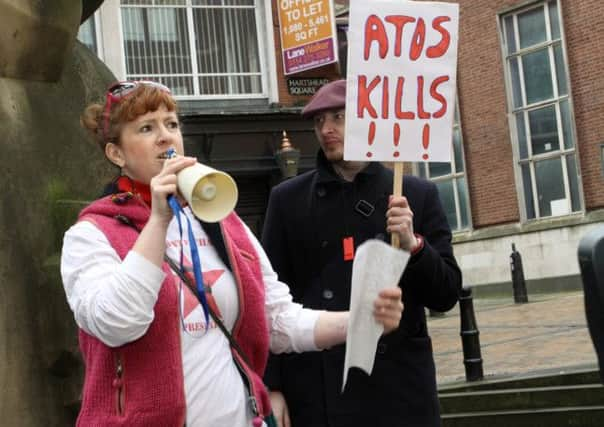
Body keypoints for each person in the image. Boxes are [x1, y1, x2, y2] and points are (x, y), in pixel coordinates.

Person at [60, 80, 405, 427]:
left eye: (172, 124)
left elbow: (276, 318)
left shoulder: (222, 222)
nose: (166, 137)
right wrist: (157, 221)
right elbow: (116, 323)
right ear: (116, 154)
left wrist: (359, 321)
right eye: (146, 128)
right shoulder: (91, 234)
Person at [261, 79, 462, 427]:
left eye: (339, 117)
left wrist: (414, 245)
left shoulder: (416, 193)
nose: (327, 130)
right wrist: (273, 386)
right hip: (318, 388)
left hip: (398, 390)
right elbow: (268, 299)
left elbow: (445, 294)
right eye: (319, 121)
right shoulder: (287, 200)